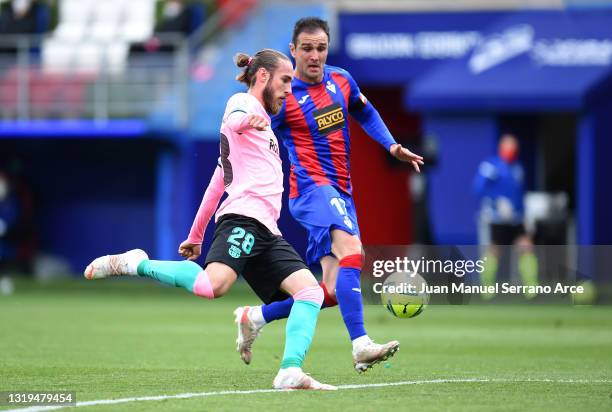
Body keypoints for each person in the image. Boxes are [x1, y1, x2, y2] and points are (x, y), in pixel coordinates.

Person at [84, 48, 336, 391]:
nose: (289, 89)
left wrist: (196, 233)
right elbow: (234, 117)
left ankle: (289, 371)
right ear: (263, 76)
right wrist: (248, 120)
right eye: (285, 80)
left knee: (310, 292)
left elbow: (218, 183)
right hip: (244, 221)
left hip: (268, 231)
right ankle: (136, 263)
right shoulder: (243, 105)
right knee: (212, 286)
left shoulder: (257, 130)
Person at [233, 17, 424, 373]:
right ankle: (361, 344)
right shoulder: (283, 95)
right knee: (352, 250)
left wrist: (392, 145)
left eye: (321, 48)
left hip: (341, 190)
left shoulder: (342, 80)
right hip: (310, 189)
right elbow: (248, 131)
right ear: (293, 51)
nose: (314, 56)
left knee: (330, 291)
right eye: (306, 48)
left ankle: (255, 317)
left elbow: (365, 112)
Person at [473, 133, 538, 299]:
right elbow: (478, 188)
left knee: (527, 247)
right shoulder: (491, 166)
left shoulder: (518, 168)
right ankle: (486, 288)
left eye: (514, 148)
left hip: (516, 218)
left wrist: (525, 215)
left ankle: (531, 288)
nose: (511, 150)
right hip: (497, 218)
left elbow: (519, 194)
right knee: (495, 250)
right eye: (508, 147)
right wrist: (497, 201)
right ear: (501, 147)